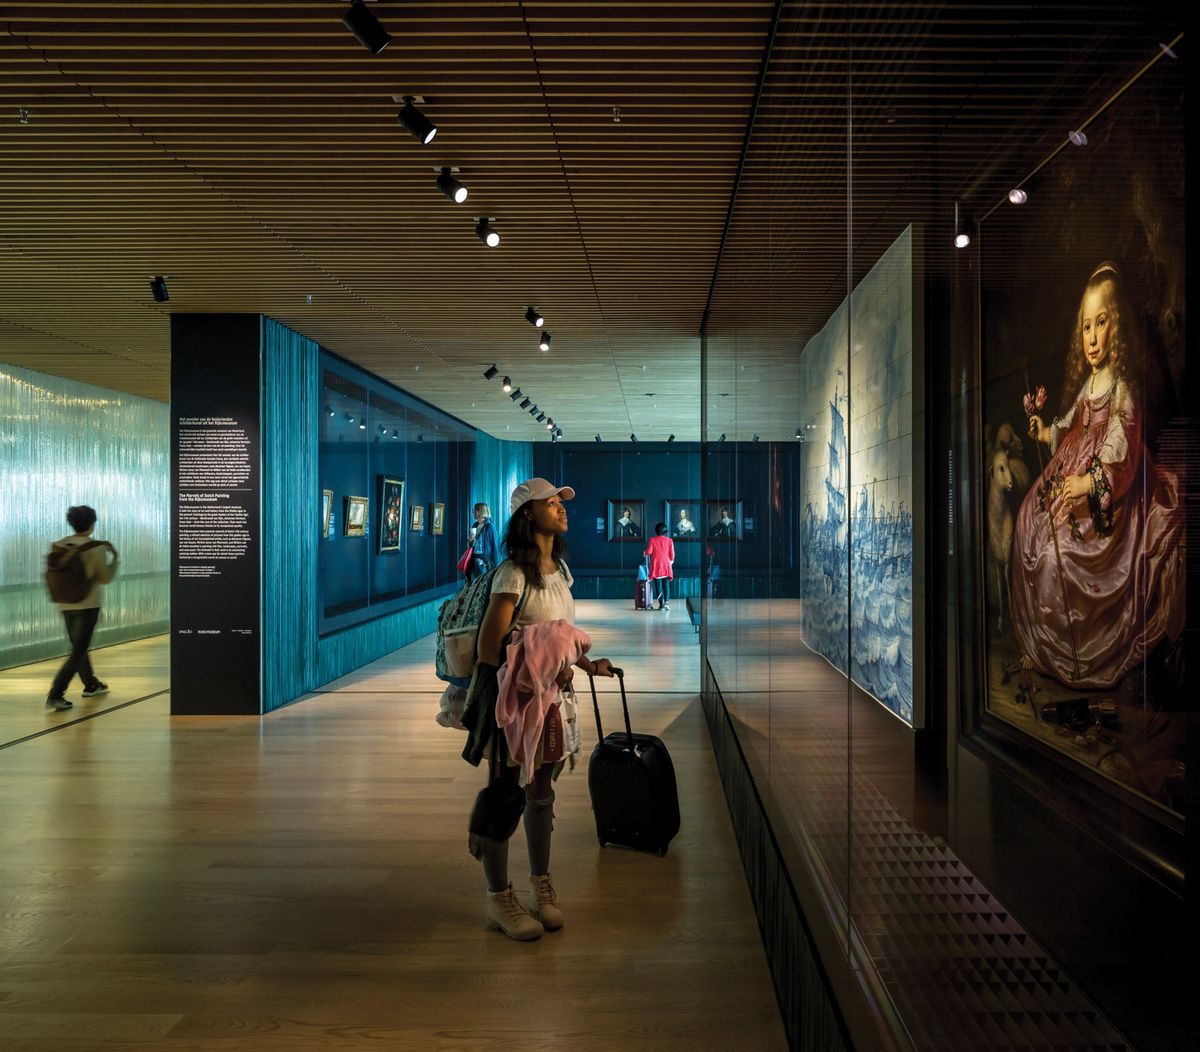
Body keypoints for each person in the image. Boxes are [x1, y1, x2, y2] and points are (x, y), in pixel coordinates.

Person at [1013, 262, 1184, 687]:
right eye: (1086, 326)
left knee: (1060, 557)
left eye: (1101, 323)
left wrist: (1089, 484)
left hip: (1109, 497)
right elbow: (1071, 425)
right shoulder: (1090, 386)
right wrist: (1045, 430)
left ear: (1118, 327)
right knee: (1027, 528)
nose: (1091, 337)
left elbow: (1120, 448)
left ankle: (1074, 654)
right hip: (1072, 476)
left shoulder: (1122, 387)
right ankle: (1049, 651)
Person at [464, 477, 614, 940]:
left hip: (553, 699)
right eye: (551, 503)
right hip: (518, 701)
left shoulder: (560, 569)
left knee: (542, 788)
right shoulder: (512, 573)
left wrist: (586, 664)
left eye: (561, 502)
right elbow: (491, 648)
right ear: (528, 514)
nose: (561, 508)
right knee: (507, 791)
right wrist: (543, 670)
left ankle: (540, 887)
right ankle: (498, 899)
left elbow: (559, 633)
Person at [46, 505, 118, 711]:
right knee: (78, 651)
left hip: (64, 603)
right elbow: (104, 578)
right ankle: (56, 694)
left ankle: (91, 684)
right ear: (92, 523)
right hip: (87, 604)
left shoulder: (59, 545)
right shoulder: (95, 547)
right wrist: (115, 561)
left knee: (79, 647)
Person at [644, 522, 676, 610]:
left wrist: (645, 552)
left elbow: (649, 552)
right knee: (666, 585)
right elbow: (672, 555)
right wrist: (670, 562)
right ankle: (667, 603)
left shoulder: (652, 540)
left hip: (656, 566)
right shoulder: (669, 540)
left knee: (658, 586)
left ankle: (661, 604)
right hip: (666, 565)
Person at [465, 502, 499, 583]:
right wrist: (470, 540)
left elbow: (495, 547)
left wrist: (496, 566)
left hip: (484, 563)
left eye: (475, 510)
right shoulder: (475, 525)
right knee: (472, 585)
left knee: (482, 585)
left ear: (480, 512)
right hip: (473, 560)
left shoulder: (490, 527)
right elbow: (472, 545)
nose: (473, 512)